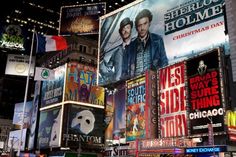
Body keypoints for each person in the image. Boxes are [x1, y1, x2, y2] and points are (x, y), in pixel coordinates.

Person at [130, 9, 168, 77]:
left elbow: (164, 62)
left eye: (145, 24)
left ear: (149, 23)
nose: (142, 28)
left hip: (153, 79)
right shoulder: (131, 45)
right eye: (139, 25)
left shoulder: (158, 40)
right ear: (136, 27)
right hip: (135, 83)